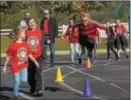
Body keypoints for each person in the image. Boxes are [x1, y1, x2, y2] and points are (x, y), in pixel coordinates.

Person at [3, 27, 39, 100]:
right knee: (17, 81)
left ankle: (17, 88)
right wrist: (5, 66)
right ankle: (15, 95)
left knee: (24, 80)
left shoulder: (25, 44)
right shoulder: (12, 45)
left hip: (24, 65)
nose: (25, 35)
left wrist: (35, 61)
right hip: (15, 66)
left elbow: (29, 54)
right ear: (18, 35)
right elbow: (8, 56)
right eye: (23, 34)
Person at [26, 18, 43, 96]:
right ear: (28, 24)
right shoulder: (26, 33)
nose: (32, 24)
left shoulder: (39, 32)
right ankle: (32, 87)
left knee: (38, 72)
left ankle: (39, 89)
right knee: (30, 74)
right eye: (30, 22)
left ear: (35, 23)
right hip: (29, 57)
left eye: (33, 22)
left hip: (38, 56)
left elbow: (43, 42)